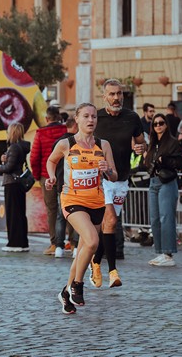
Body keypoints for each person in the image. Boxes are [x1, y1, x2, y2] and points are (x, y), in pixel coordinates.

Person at [45, 103, 118, 314]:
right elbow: (51, 161)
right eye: (86, 116)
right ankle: (77, 285)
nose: (91, 120)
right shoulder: (66, 143)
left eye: (94, 116)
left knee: (83, 252)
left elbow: (114, 175)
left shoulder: (103, 145)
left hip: (96, 202)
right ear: (76, 119)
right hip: (72, 200)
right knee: (93, 241)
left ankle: (65, 294)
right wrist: (51, 177)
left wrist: (108, 170)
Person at [92, 78, 146, 287]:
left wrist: (141, 148)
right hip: (100, 179)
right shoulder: (96, 118)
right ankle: (113, 271)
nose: (116, 98)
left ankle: (95, 262)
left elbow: (141, 142)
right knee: (111, 220)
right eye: (112, 94)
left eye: (119, 94)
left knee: (108, 225)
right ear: (104, 96)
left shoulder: (132, 117)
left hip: (122, 178)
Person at [144, 114, 182, 267]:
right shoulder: (153, 143)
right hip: (153, 182)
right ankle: (160, 251)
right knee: (154, 218)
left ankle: (168, 253)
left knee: (166, 217)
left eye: (161, 123)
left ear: (166, 125)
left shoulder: (172, 142)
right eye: (155, 124)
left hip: (167, 181)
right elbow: (148, 164)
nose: (158, 126)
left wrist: (164, 160)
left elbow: (179, 162)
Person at [29, 106, 67, 256]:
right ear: (58, 117)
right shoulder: (66, 131)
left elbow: (35, 157)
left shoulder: (41, 133)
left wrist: (37, 176)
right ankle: (73, 241)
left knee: (51, 209)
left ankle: (54, 243)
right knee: (69, 208)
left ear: (47, 118)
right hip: (65, 173)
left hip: (47, 175)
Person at [0, 122, 31, 252]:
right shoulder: (21, 147)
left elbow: (10, 168)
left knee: (13, 214)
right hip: (18, 183)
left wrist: (0, 166)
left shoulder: (14, 147)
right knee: (20, 213)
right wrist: (6, 159)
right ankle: (22, 242)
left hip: (12, 182)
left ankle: (14, 243)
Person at [53, 117, 79, 258]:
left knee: (61, 216)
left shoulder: (58, 142)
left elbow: (52, 162)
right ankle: (75, 246)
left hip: (61, 183)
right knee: (77, 216)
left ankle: (59, 247)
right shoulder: (77, 142)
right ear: (75, 125)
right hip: (75, 183)